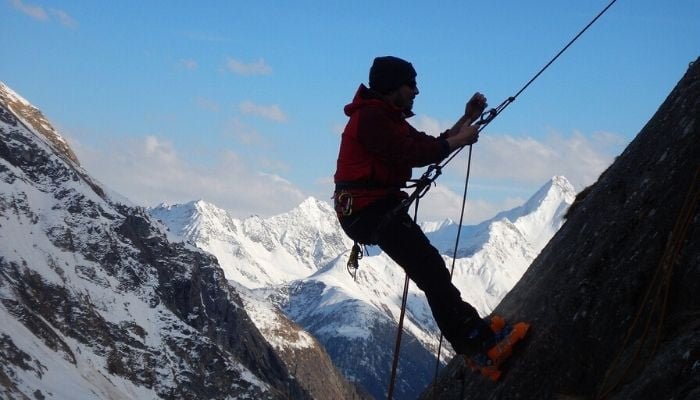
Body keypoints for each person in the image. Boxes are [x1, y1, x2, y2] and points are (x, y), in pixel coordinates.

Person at [332, 56, 498, 358]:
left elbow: (427, 144)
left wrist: (466, 120)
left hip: (368, 209)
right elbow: (412, 152)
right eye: (411, 84)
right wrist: (460, 141)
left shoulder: (384, 116)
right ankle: (471, 338)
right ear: (393, 85)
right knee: (429, 268)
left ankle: (469, 334)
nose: (416, 91)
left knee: (429, 266)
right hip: (368, 211)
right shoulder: (372, 119)